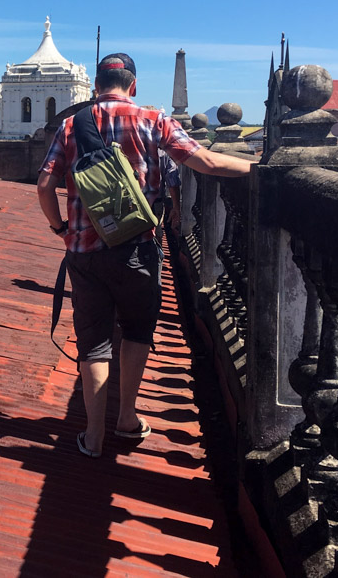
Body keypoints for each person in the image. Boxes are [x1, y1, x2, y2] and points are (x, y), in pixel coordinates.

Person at [36, 53, 253, 458]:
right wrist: (258, 169)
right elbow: (204, 161)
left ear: (96, 85)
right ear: (132, 86)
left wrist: (61, 229)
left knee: (94, 343)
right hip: (138, 246)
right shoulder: (154, 121)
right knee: (136, 331)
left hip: (85, 251)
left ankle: (94, 436)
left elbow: (45, 184)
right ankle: (127, 419)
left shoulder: (71, 124)